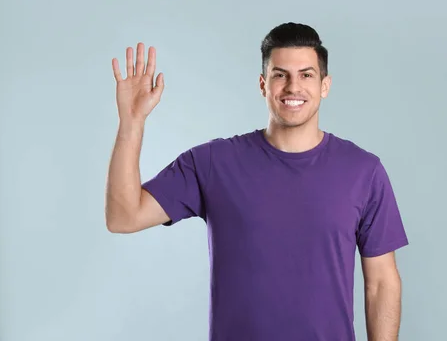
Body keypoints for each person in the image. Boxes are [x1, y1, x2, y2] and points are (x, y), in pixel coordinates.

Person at [105, 22, 409, 340]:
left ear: (325, 85)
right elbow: (123, 216)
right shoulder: (213, 164)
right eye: (280, 75)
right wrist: (132, 122)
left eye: (306, 75)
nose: (293, 87)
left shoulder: (363, 171)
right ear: (263, 85)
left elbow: (382, 284)